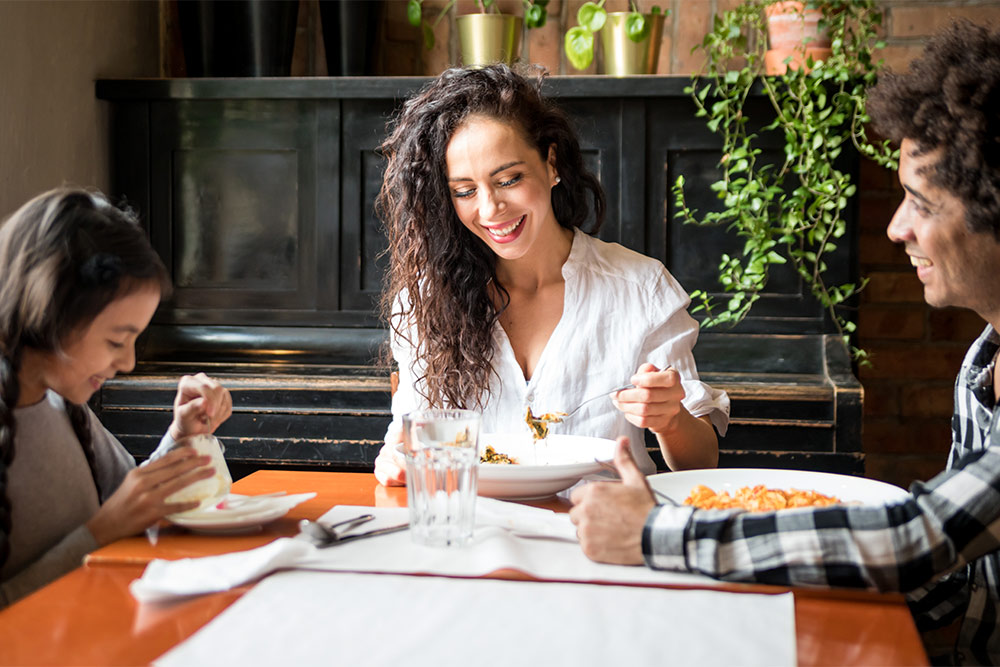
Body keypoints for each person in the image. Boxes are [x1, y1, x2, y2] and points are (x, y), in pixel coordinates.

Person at [568, 19, 1000, 665]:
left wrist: (661, 533)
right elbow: (954, 573)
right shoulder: (982, 361)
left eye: (923, 204)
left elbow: (921, 535)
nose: (894, 228)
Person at [372, 64, 729, 485]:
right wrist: (393, 460)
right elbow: (405, 441)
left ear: (551, 162)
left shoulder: (641, 289)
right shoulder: (424, 300)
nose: (489, 210)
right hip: (479, 536)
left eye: (509, 179)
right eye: (464, 191)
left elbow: (701, 464)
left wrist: (670, 418)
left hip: (600, 536)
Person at [0, 188, 234, 606]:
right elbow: (113, 520)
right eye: (116, 341)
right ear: (53, 313)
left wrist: (181, 436)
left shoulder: (61, 406)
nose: (127, 362)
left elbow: (129, 500)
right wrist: (98, 534)